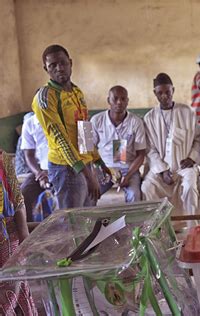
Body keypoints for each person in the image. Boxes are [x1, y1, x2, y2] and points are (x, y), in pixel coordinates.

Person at [32, 45, 107, 209]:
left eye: (63, 63)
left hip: (84, 164)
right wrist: (88, 176)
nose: (59, 68)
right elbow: (61, 140)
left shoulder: (76, 92)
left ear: (70, 63)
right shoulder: (45, 97)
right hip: (65, 169)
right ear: (46, 69)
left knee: (87, 219)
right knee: (71, 222)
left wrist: (98, 161)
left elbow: (84, 131)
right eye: (53, 65)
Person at [142, 73, 200, 227]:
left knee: (190, 187)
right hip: (161, 168)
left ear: (173, 90)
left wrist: (192, 158)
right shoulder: (149, 118)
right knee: (147, 186)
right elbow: (150, 149)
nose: (164, 96)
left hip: (184, 166)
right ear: (155, 93)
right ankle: (160, 228)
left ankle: (192, 228)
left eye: (167, 92)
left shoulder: (187, 112)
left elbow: (198, 138)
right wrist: (162, 171)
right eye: (160, 93)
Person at [91, 86, 146, 203]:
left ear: (127, 101)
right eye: (115, 99)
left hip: (128, 169)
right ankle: (94, 221)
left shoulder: (136, 122)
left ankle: (132, 222)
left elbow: (141, 155)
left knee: (134, 195)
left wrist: (129, 175)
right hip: (104, 168)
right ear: (108, 101)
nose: (119, 102)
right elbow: (89, 150)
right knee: (91, 193)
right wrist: (97, 169)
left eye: (123, 99)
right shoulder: (97, 120)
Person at [0, 149, 37, 315]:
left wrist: (24, 237)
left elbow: (17, 199)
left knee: (12, 288)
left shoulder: (3, 159)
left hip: (7, 238)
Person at [20, 113, 51, 221]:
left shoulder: (61, 118)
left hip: (62, 169)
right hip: (40, 171)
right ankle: (29, 229)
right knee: (23, 194)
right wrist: (39, 174)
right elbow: (29, 155)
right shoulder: (30, 124)